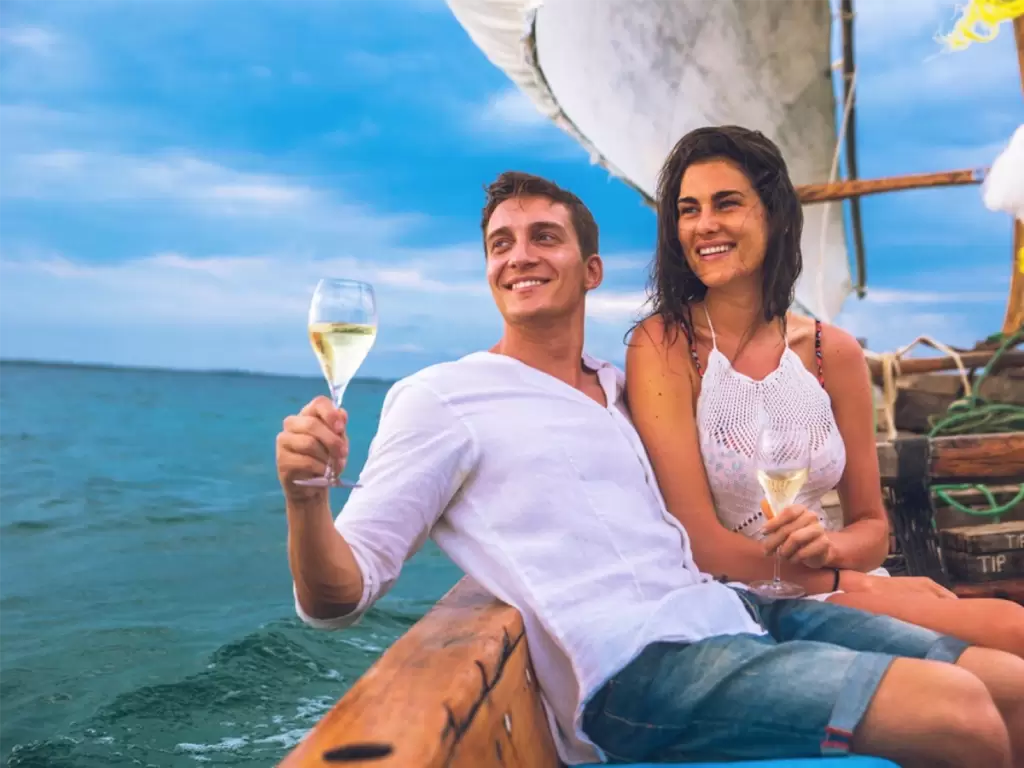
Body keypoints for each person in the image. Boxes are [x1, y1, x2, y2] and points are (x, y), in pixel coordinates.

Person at [277, 170, 1024, 767]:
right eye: (501, 245)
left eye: (545, 237)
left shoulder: (620, 388)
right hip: (636, 668)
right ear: (489, 273)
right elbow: (338, 597)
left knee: (1009, 686)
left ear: (591, 269)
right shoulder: (442, 397)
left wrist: (843, 567)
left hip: (732, 612)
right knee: (954, 712)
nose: (520, 256)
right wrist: (306, 496)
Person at [625, 124, 1024, 660]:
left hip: (838, 581)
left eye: (727, 204)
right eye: (688, 209)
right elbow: (701, 544)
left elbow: (872, 528)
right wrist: (849, 581)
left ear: (774, 214)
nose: (706, 225)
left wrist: (832, 548)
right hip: (741, 597)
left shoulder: (829, 351)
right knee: (1006, 644)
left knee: (1010, 625)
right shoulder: (665, 345)